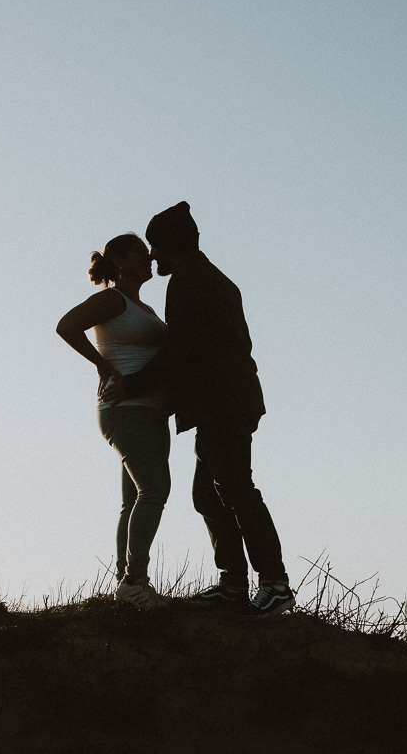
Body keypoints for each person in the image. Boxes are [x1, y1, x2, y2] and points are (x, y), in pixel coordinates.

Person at [102, 202, 294, 615]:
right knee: (208, 494)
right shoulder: (212, 279)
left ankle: (274, 583)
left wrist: (132, 385)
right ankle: (233, 584)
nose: (152, 255)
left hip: (222, 402)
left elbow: (180, 351)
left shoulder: (189, 281)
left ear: (171, 244)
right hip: (226, 401)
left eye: (155, 245)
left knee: (236, 488)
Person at [56, 233, 170, 610]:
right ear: (119, 262)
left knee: (133, 499)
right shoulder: (112, 299)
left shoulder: (145, 309)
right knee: (154, 489)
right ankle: (135, 580)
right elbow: (67, 325)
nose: (148, 258)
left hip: (150, 410)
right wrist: (102, 365)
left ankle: (125, 583)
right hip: (125, 409)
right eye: (140, 253)